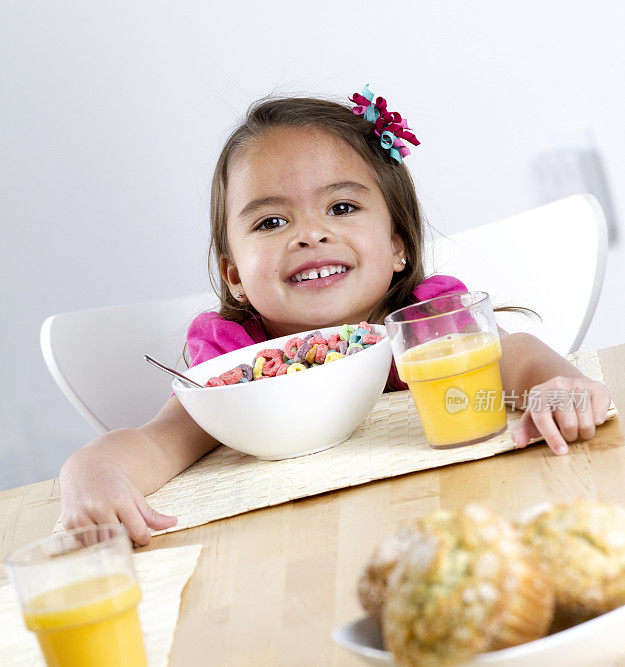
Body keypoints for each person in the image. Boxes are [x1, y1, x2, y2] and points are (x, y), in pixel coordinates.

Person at [59, 85, 612, 545]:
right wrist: (92, 471)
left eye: (342, 208)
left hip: (454, 517)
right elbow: (159, 441)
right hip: (289, 548)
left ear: (398, 243)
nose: (310, 234)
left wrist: (555, 383)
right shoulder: (234, 362)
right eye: (271, 222)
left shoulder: (420, 322)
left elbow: (510, 357)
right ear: (234, 276)